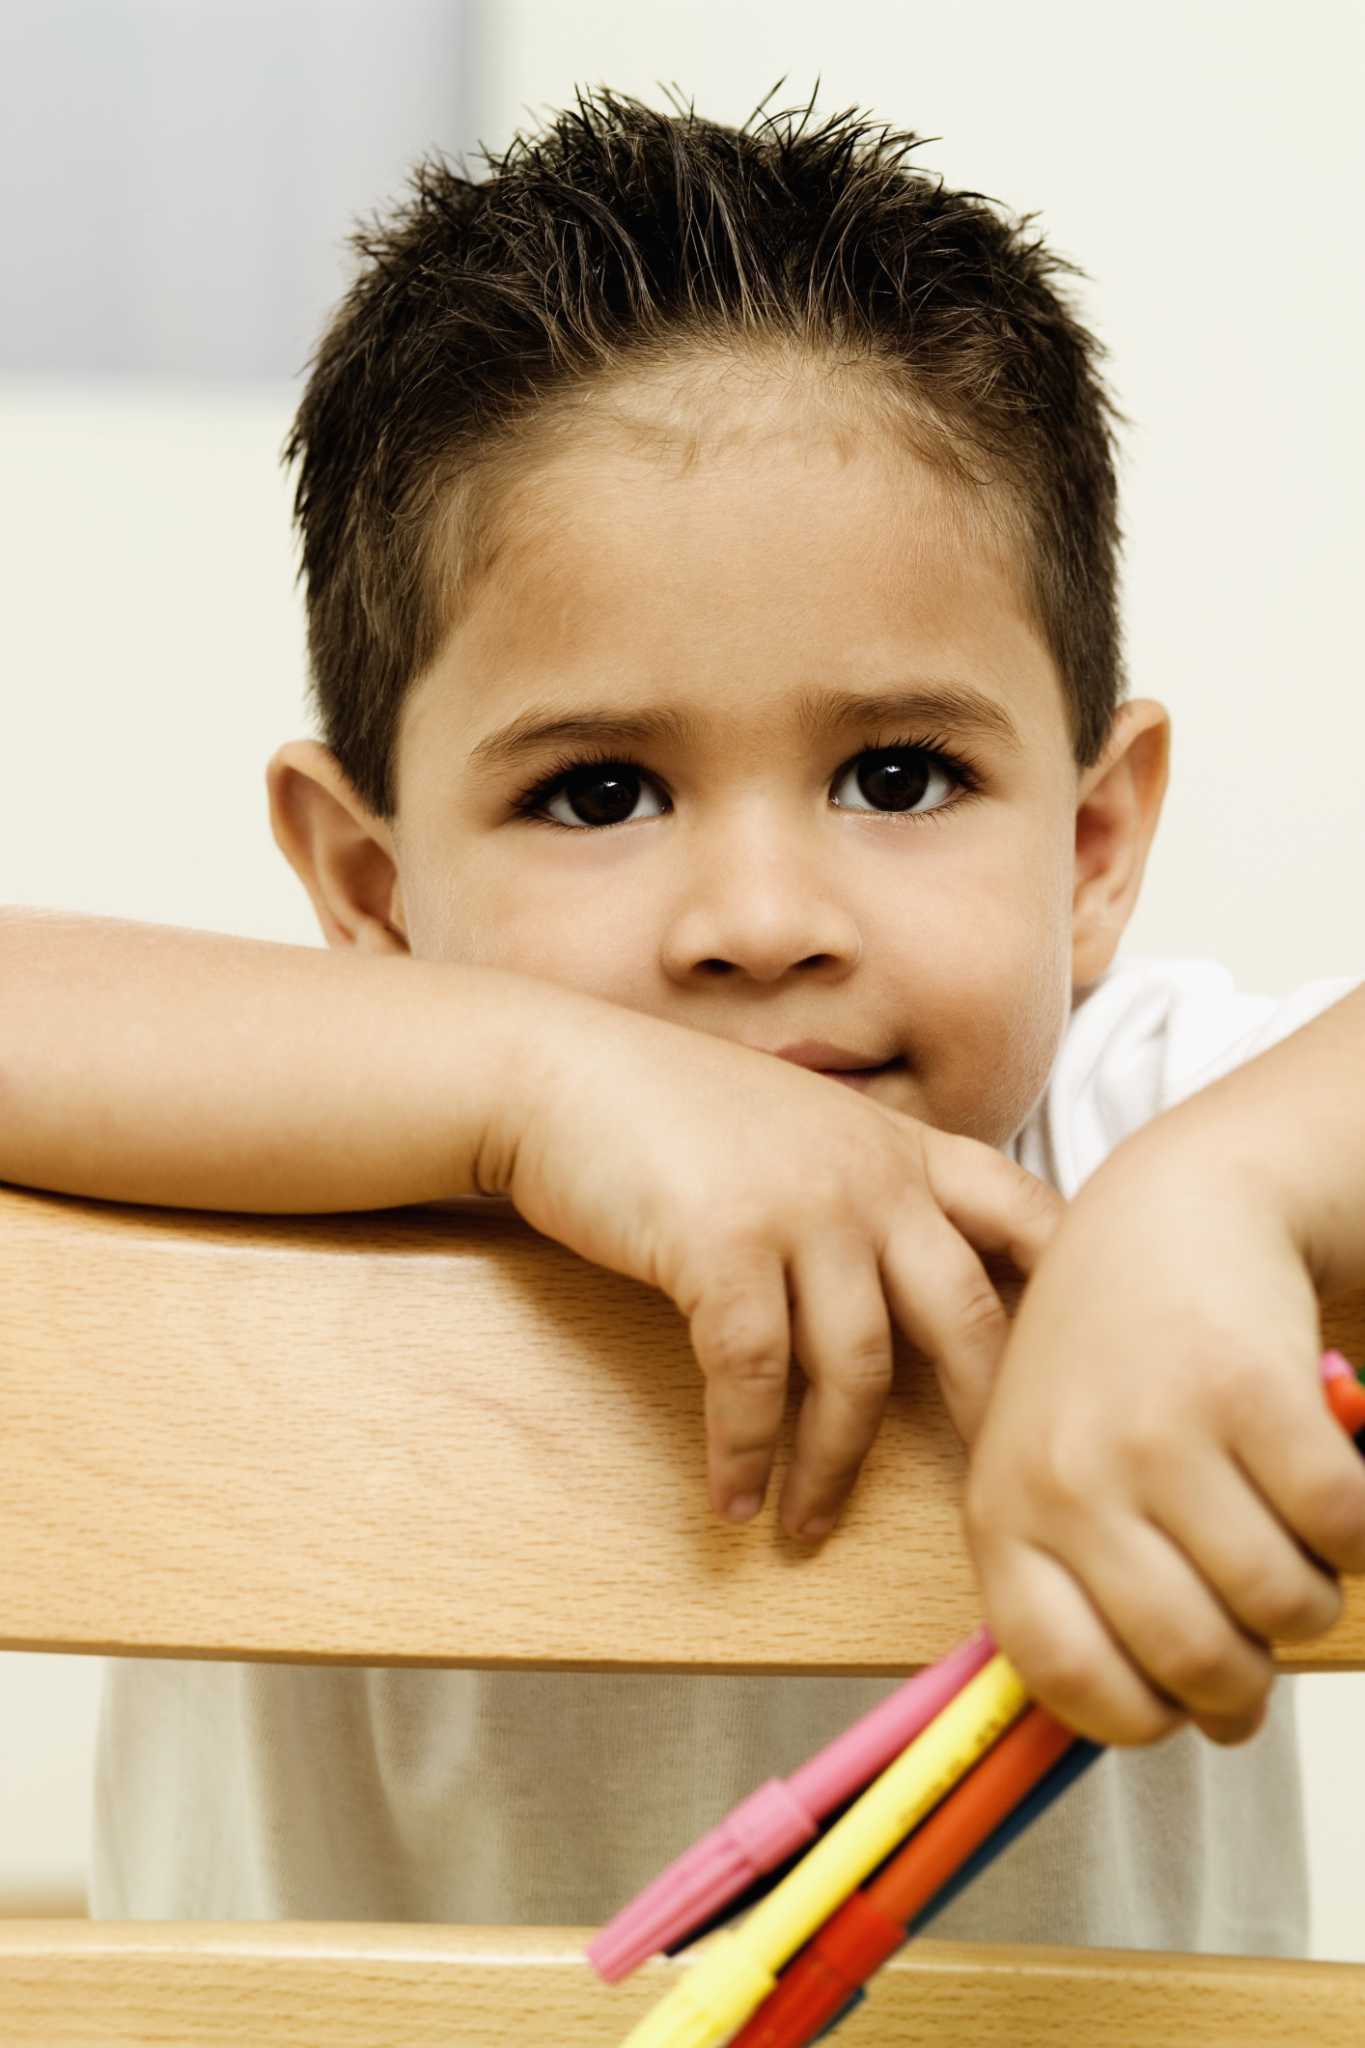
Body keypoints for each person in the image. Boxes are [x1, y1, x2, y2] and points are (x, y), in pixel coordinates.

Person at [5, 84, 1362, 1951]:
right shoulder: (307, 1130)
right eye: (595, 795)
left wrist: (1215, 1207)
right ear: (369, 889)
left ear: (1093, 849)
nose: (757, 922)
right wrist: (527, 1082)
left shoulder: (1120, 1137)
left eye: (895, 776)